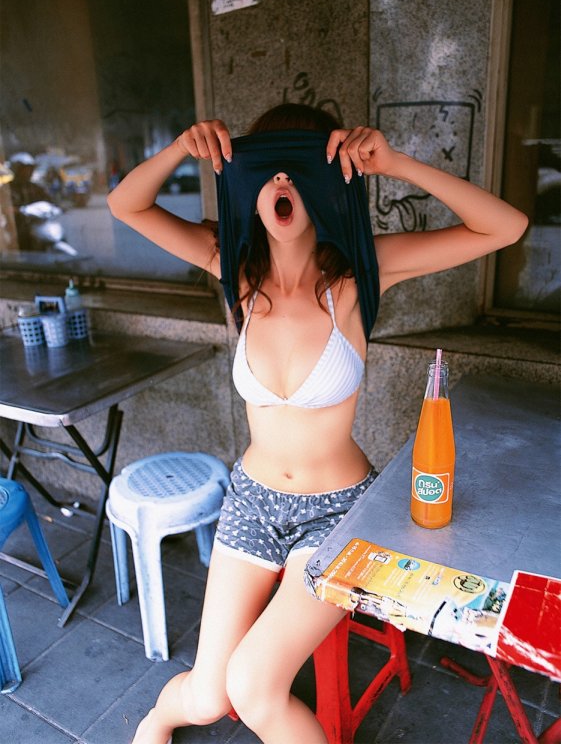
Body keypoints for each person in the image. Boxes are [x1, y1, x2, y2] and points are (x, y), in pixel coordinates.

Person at [107, 103, 527, 744]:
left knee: (255, 687)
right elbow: (125, 206)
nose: (282, 181)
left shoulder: (359, 274)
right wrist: (179, 149)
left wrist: (395, 164)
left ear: (327, 183)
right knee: (211, 696)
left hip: (337, 513)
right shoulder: (235, 269)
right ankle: (158, 718)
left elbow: (505, 227)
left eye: (299, 168)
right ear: (247, 184)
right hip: (250, 500)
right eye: (267, 169)